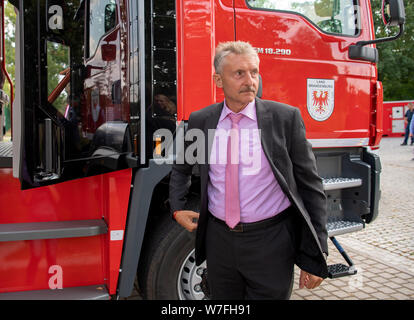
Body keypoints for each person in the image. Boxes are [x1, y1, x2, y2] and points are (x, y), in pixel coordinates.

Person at [169, 41, 328, 300]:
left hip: (271, 243)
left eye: (254, 72)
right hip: (219, 242)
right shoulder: (201, 120)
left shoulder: (285, 119)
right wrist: (176, 207)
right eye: (239, 73)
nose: (249, 80)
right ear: (218, 80)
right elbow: (181, 168)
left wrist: (316, 254)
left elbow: (311, 186)